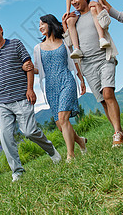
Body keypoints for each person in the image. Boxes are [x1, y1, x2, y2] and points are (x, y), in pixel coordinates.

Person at [0, 20, 61, 182]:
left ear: (1, 30)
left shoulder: (15, 44)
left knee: (29, 132)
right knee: (5, 137)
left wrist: (30, 89)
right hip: (2, 102)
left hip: (22, 97)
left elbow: (28, 66)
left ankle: (51, 151)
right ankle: (17, 171)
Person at [63, 0, 123, 147]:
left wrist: (99, 7)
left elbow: (106, 23)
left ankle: (117, 132)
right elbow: (69, 44)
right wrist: (66, 25)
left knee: (108, 93)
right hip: (87, 65)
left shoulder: (94, 10)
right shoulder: (74, 20)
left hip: (104, 58)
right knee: (103, 101)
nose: (74, 2)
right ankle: (117, 131)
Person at [32, 14, 88, 161]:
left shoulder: (64, 42)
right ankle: (81, 141)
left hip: (66, 80)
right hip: (50, 86)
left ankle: (71, 155)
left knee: (63, 118)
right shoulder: (38, 48)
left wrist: (81, 80)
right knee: (60, 124)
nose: (40, 27)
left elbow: (74, 61)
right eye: (39, 25)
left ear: (50, 24)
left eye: (42, 24)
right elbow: (37, 69)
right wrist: (29, 67)